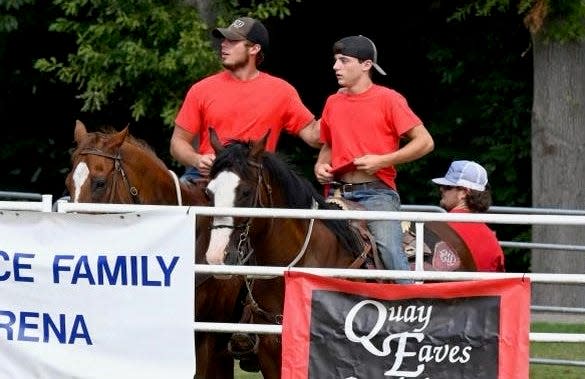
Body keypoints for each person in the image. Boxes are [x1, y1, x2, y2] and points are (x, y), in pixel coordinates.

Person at [314, 35, 434, 282]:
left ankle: (408, 304)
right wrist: (320, 165)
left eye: (343, 61)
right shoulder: (333, 102)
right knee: (310, 244)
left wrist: (382, 161)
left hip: (377, 193)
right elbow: (328, 144)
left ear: (366, 65)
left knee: (390, 251)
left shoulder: (389, 99)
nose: (335, 67)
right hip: (336, 193)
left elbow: (425, 142)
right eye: (335, 60)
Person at [171, 16, 320, 181]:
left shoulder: (282, 91)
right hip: (208, 176)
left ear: (254, 49)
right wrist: (197, 160)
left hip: (256, 181)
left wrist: (341, 101)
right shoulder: (201, 89)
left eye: (233, 41)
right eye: (224, 39)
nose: (223, 44)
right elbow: (177, 143)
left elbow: (315, 137)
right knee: (174, 198)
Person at [432, 160, 506, 272]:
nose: (441, 189)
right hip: (483, 289)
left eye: (447, 186)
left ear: (464, 192)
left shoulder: (437, 228)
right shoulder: (492, 240)